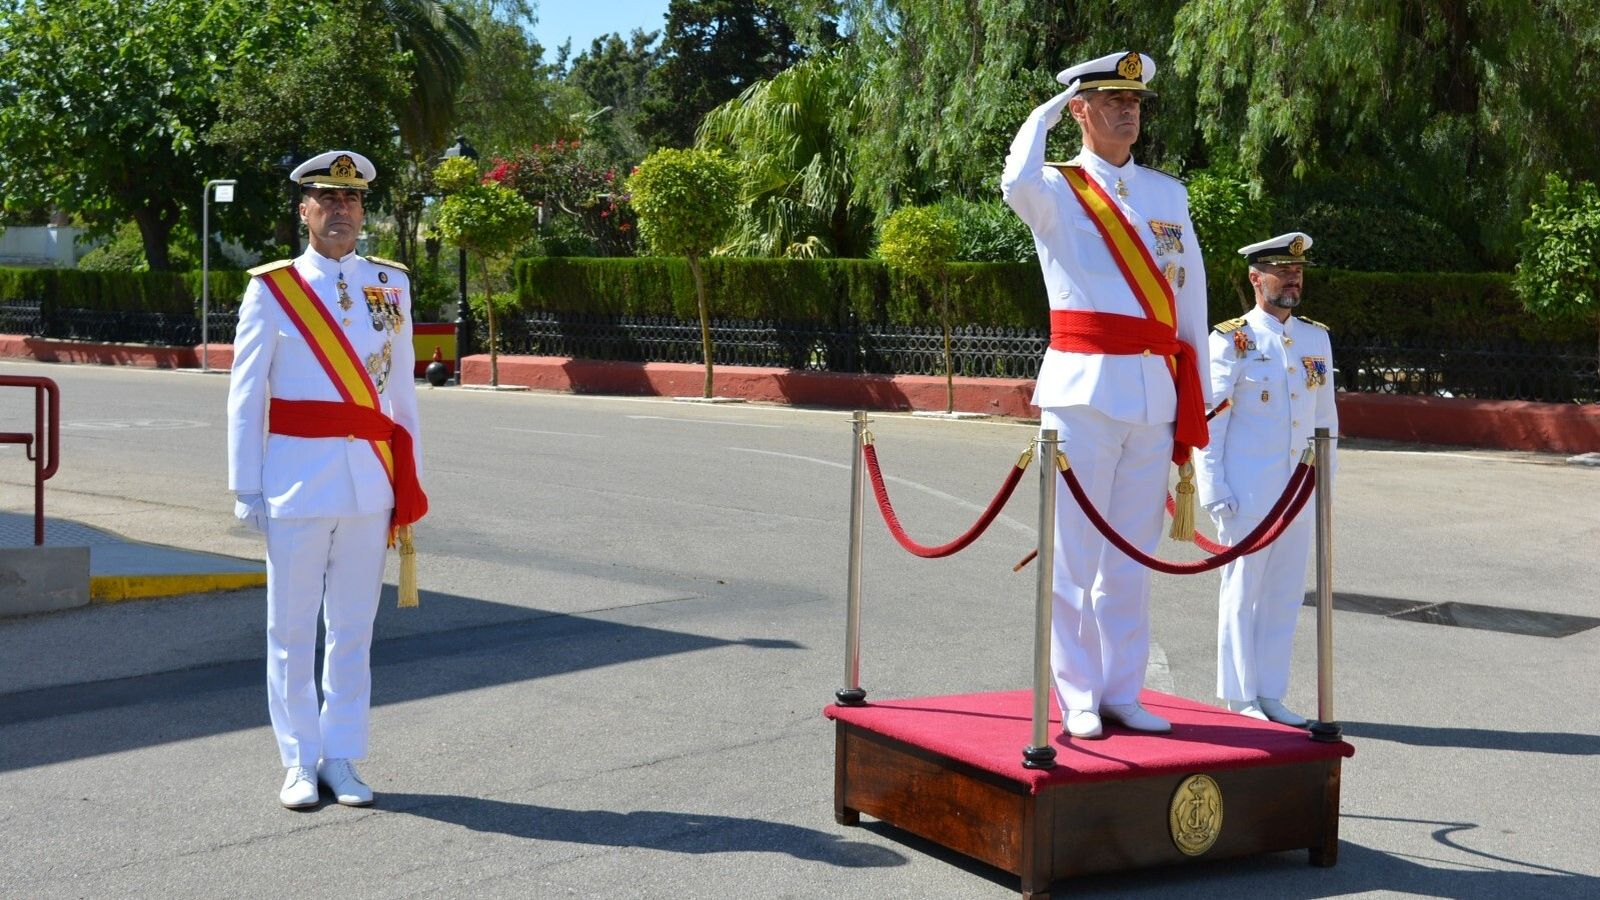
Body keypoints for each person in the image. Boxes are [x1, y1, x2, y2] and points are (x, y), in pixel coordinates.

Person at [1002, 52, 1210, 739]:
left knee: (1130, 557)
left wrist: (1192, 396)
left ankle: (1124, 691)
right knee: (1073, 556)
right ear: (1082, 111)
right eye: (1111, 101)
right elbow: (1012, 181)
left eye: (1136, 103)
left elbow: (1191, 302)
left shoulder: (1166, 194)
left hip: (1152, 391)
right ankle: (1078, 695)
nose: (1129, 112)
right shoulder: (1055, 189)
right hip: (1083, 391)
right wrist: (1046, 111)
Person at [228, 150, 427, 808]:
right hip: (294, 483)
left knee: (353, 628)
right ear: (304, 210)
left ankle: (341, 756)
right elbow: (245, 395)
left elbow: (402, 397)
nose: (340, 210)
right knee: (289, 629)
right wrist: (246, 486)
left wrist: (406, 483)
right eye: (327, 199)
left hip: (369, 484)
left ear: (363, 210)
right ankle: (297, 760)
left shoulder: (389, 284)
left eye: (351, 201)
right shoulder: (273, 288)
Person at [1193, 232, 1338, 727]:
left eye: (1298, 271)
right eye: (1283, 271)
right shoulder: (1232, 339)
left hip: (1297, 492)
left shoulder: (1315, 338)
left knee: (1284, 593)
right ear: (1256, 279)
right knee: (1242, 591)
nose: (1293, 278)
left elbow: (1326, 422)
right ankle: (1239, 697)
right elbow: (1210, 422)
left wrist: (1325, 487)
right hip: (1247, 491)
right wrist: (1213, 488)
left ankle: (1271, 692)